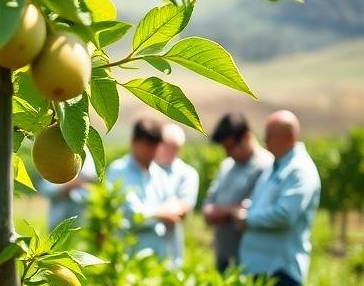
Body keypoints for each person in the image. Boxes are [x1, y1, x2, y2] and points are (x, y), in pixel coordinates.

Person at [235, 109, 321, 286]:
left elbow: (285, 215)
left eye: (270, 135)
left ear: (289, 136)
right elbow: (263, 203)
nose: (265, 140)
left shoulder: (300, 170)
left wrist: (247, 219)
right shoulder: (275, 166)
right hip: (259, 269)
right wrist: (248, 208)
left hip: (280, 272)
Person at [105, 117, 185, 260]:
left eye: (155, 146)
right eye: (148, 145)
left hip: (160, 254)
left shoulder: (159, 173)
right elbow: (129, 213)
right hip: (130, 254)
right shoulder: (119, 170)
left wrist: (167, 211)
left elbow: (173, 205)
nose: (151, 151)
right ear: (134, 142)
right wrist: (160, 214)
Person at [201, 113, 272, 271]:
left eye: (230, 147)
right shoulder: (227, 166)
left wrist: (223, 211)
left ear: (246, 137)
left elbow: (250, 213)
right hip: (223, 254)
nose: (228, 153)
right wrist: (231, 210)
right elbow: (208, 207)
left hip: (250, 259)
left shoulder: (266, 166)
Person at [154, 123, 200, 265]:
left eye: (173, 148)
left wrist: (146, 211)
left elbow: (182, 210)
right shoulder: (145, 168)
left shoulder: (187, 174)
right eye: (165, 146)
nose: (168, 152)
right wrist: (163, 210)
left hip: (170, 248)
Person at [37, 150, 98, 231]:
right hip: (58, 225)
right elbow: (46, 190)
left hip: (81, 226)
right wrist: (69, 186)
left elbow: (92, 180)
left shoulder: (86, 154)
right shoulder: (57, 154)